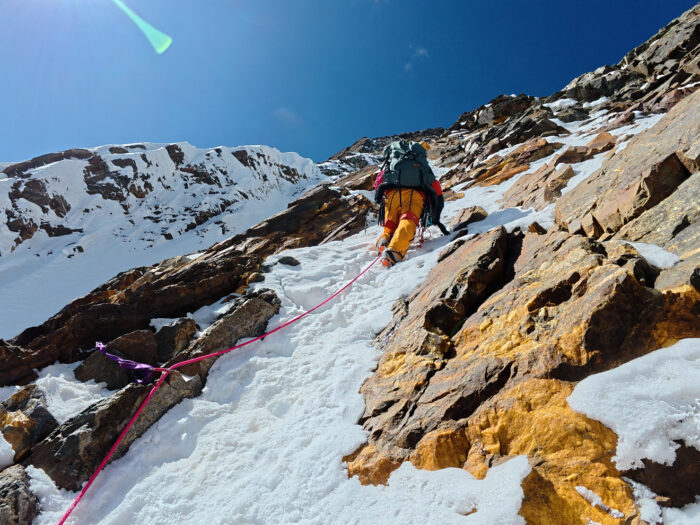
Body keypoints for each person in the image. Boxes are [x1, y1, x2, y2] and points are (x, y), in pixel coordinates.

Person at [373, 140, 445, 268]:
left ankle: (385, 239)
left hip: (392, 195)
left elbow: (379, 182)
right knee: (407, 220)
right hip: (415, 196)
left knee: (391, 223)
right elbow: (436, 190)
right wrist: (435, 215)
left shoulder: (395, 163)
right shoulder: (423, 167)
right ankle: (393, 252)